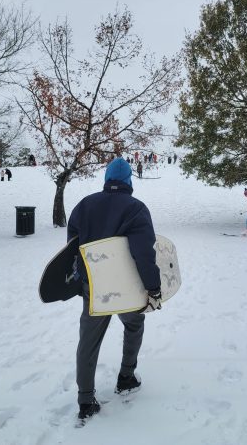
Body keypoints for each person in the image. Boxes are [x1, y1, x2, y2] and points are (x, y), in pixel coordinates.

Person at [67, 157, 162, 421]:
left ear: (107, 180)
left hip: (94, 288)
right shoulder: (136, 208)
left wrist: (80, 280)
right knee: (134, 324)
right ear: (129, 181)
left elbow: (73, 250)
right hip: (126, 288)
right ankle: (126, 376)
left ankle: (85, 400)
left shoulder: (84, 205)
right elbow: (144, 254)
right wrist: (153, 289)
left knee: (89, 339)